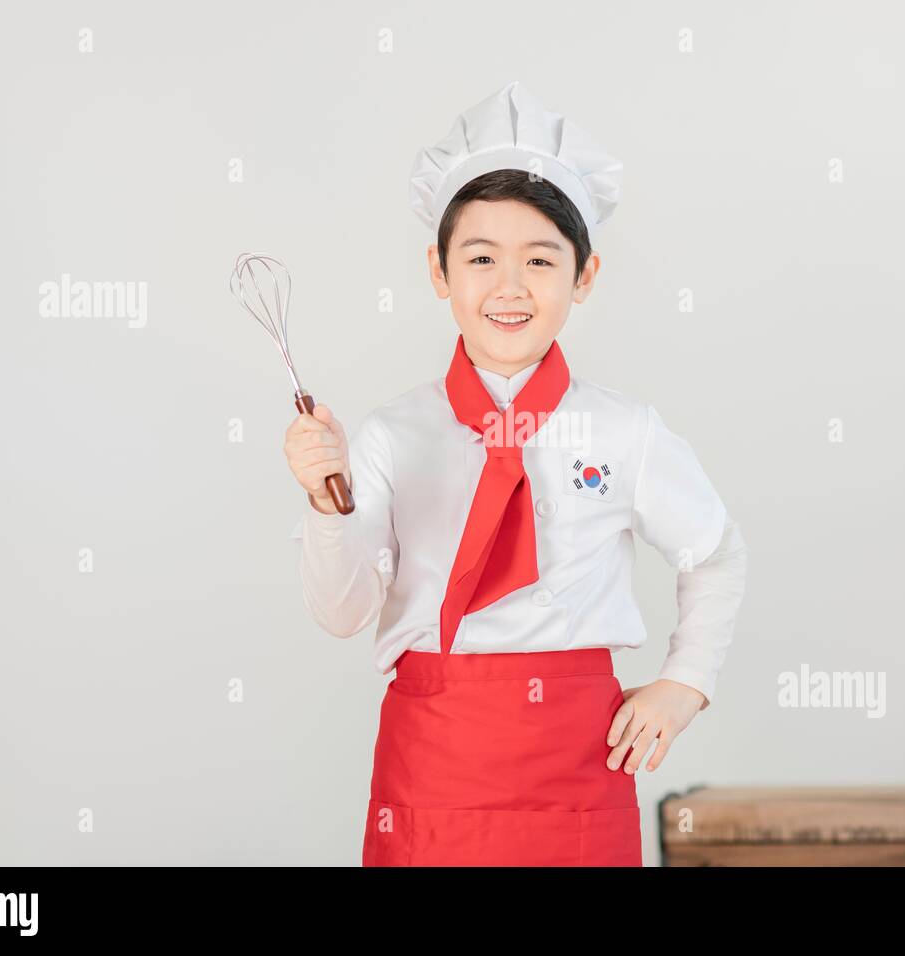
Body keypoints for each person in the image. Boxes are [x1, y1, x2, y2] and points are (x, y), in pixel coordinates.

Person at [286, 81, 748, 866]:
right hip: (433, 758)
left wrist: (685, 681)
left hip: (575, 756)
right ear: (438, 271)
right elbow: (342, 612)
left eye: (540, 259)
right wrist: (325, 504)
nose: (509, 286)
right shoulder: (393, 434)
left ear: (585, 274)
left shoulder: (623, 430)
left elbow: (716, 553)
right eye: (480, 259)